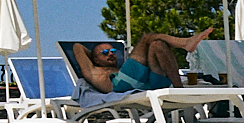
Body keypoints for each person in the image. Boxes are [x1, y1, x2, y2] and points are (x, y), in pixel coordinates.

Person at [71, 29, 214, 94]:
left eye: (113, 51)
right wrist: (94, 57)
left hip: (146, 83)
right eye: (104, 53)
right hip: (122, 86)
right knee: (147, 38)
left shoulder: (123, 69)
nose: (110, 54)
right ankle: (185, 43)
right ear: (95, 59)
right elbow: (77, 47)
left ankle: (179, 91)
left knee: (157, 44)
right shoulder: (93, 71)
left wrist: (100, 55)